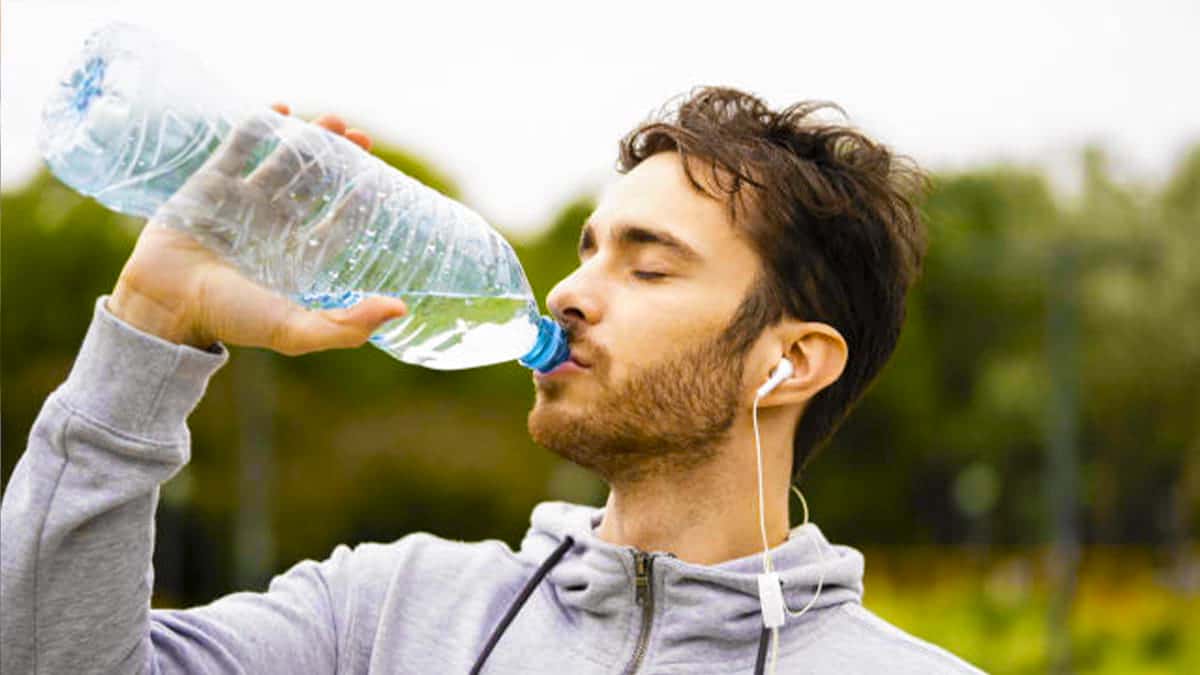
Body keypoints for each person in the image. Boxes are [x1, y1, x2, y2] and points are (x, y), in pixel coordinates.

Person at [1, 87, 984, 674]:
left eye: (647, 265)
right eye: (587, 250)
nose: (567, 291)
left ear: (789, 361)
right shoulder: (387, 615)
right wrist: (150, 324)